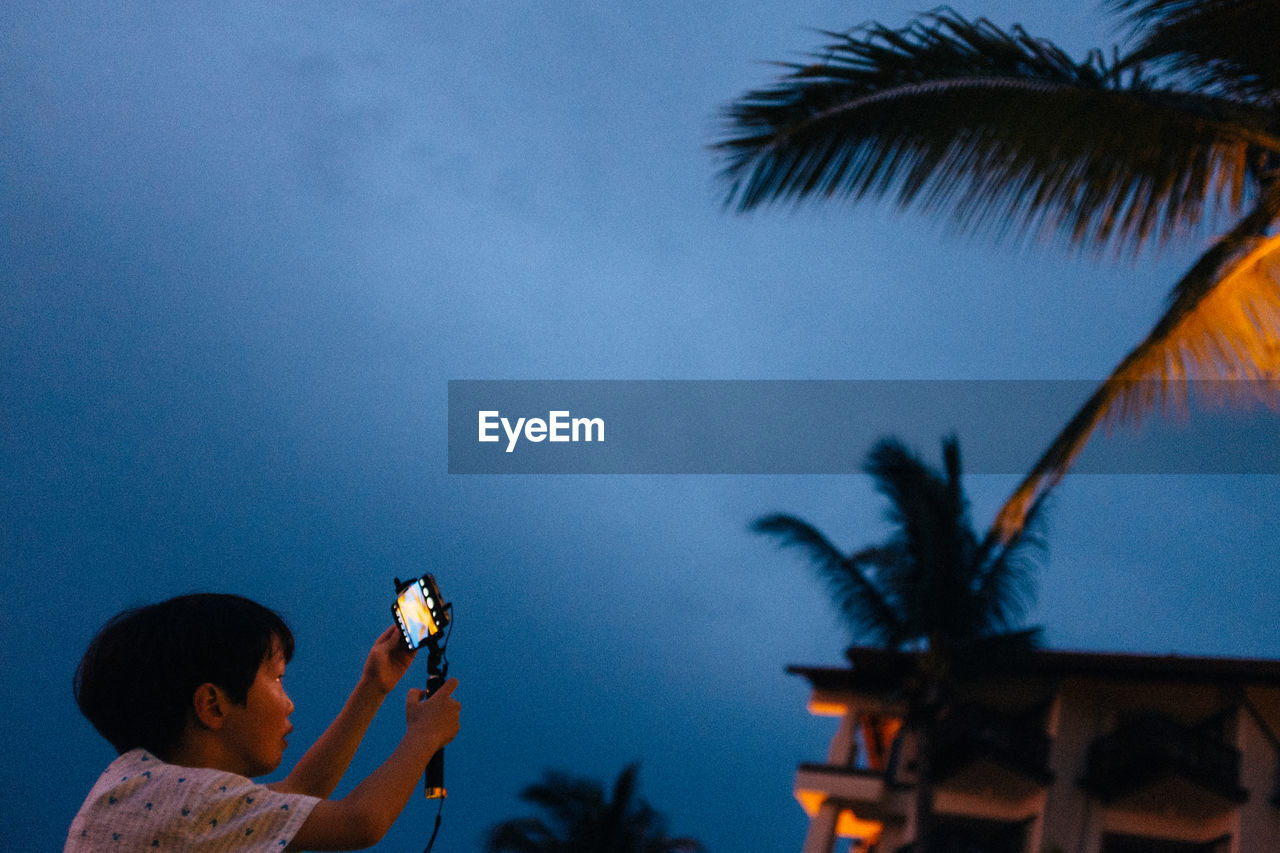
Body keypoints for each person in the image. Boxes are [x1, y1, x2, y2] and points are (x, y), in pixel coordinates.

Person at [65, 592, 461, 851]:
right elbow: (360, 821)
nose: (288, 703)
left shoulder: (139, 790)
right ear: (213, 706)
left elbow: (298, 794)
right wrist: (423, 737)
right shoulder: (193, 803)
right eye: (276, 677)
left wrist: (373, 686)